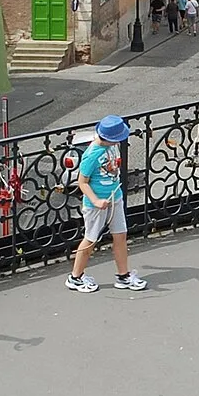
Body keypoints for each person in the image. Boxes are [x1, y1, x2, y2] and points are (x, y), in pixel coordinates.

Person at [65, 116, 148, 293]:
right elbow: (82, 182)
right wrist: (95, 200)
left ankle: (123, 275)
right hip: (97, 203)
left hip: (114, 197)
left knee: (120, 235)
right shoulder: (92, 154)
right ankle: (75, 277)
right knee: (90, 239)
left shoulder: (111, 146)